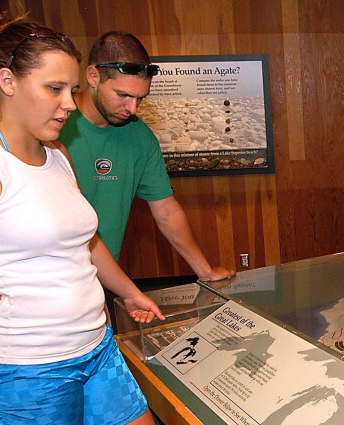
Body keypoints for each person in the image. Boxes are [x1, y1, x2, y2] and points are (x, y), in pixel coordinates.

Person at [0, 8, 167, 425]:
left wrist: (129, 291)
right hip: (22, 367)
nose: (68, 105)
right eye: (54, 88)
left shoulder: (56, 155)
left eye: (73, 89)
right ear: (7, 81)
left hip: (93, 347)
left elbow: (86, 240)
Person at [58, 31, 234, 282]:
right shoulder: (54, 126)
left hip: (100, 282)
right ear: (93, 76)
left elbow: (166, 211)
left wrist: (205, 271)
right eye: (123, 95)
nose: (132, 109)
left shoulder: (140, 137)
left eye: (140, 98)